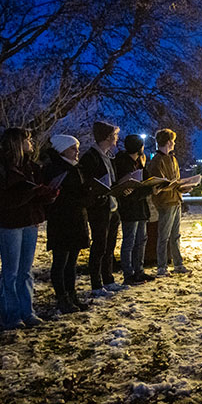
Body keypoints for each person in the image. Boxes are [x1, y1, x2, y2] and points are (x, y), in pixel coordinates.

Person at [0, 127, 56, 329]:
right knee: (11, 271)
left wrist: (48, 194)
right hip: (9, 224)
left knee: (25, 270)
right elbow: (3, 200)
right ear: (17, 142)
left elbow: (34, 195)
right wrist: (31, 192)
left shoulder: (31, 167)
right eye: (27, 139)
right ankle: (11, 314)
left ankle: (28, 311)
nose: (31, 143)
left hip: (29, 222)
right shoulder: (0, 169)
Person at [43, 135, 91, 314]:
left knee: (72, 261)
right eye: (73, 148)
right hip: (62, 220)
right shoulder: (55, 169)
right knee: (61, 261)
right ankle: (62, 297)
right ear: (62, 150)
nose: (77, 152)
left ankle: (72, 294)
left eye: (77, 148)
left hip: (77, 217)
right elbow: (59, 195)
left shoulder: (75, 168)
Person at [79, 121, 123, 294]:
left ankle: (108, 278)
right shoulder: (91, 157)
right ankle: (96, 283)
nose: (117, 139)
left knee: (110, 245)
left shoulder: (108, 156)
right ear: (107, 137)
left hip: (112, 207)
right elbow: (88, 182)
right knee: (99, 245)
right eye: (115, 135)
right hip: (99, 208)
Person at [146, 128, 190, 276]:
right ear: (169, 142)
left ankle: (178, 263)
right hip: (166, 202)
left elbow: (175, 180)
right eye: (173, 141)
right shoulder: (157, 161)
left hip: (176, 199)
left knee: (175, 235)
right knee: (164, 235)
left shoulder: (172, 158)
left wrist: (182, 187)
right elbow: (158, 183)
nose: (174, 144)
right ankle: (162, 266)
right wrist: (171, 186)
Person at [114, 134, 154, 285]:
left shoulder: (139, 162)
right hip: (130, 208)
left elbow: (147, 180)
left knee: (141, 240)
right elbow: (127, 189)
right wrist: (145, 190)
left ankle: (139, 270)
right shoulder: (123, 163)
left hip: (140, 207)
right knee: (129, 241)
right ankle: (128, 273)